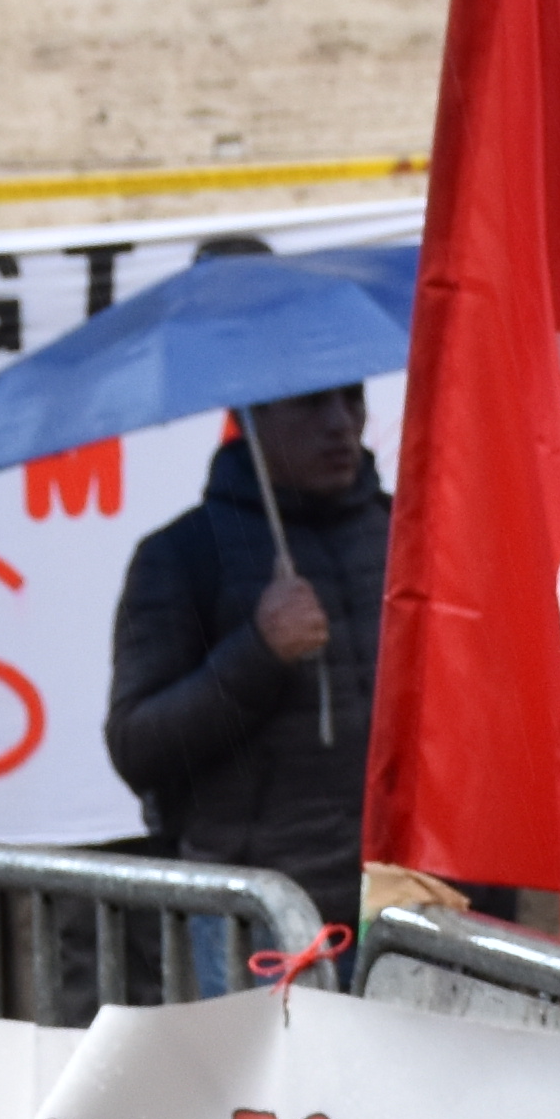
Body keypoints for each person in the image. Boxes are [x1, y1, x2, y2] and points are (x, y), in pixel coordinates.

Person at [103, 382, 383, 930]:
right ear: (249, 419)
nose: (340, 423)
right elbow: (137, 746)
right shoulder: (181, 556)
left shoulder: (410, 535)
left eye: (352, 398)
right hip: (260, 921)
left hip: (407, 909)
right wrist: (259, 653)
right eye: (310, 402)